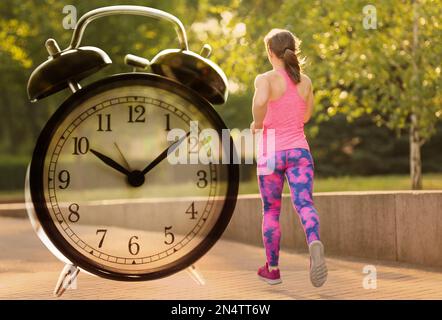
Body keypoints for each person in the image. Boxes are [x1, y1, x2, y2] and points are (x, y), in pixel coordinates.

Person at [251, 28, 327, 287]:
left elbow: (261, 101)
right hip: (298, 151)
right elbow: (306, 116)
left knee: (271, 211)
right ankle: (314, 240)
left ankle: (272, 270)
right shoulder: (304, 81)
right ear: (293, 50)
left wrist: (257, 122)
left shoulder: (265, 79)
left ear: (270, 52)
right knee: (304, 203)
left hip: (270, 152)